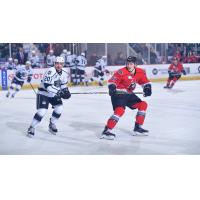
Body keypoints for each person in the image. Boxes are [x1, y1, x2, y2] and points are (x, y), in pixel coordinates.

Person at [100, 56, 152, 140]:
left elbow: (145, 82)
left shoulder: (140, 72)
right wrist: (112, 87)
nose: (129, 65)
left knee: (143, 104)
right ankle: (107, 131)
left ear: (135, 64)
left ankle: (138, 127)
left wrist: (147, 88)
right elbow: (112, 81)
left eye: (131, 64)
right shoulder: (121, 72)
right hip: (118, 94)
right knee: (120, 110)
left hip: (129, 94)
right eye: (127, 63)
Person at [27, 56, 71, 137]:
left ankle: (52, 124)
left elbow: (63, 85)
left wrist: (66, 91)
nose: (59, 65)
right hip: (43, 93)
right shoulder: (50, 71)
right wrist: (60, 92)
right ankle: (32, 127)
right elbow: (48, 86)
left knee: (59, 108)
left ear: (63, 64)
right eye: (57, 63)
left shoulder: (64, 73)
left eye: (61, 64)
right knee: (42, 111)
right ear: (54, 64)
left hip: (54, 94)